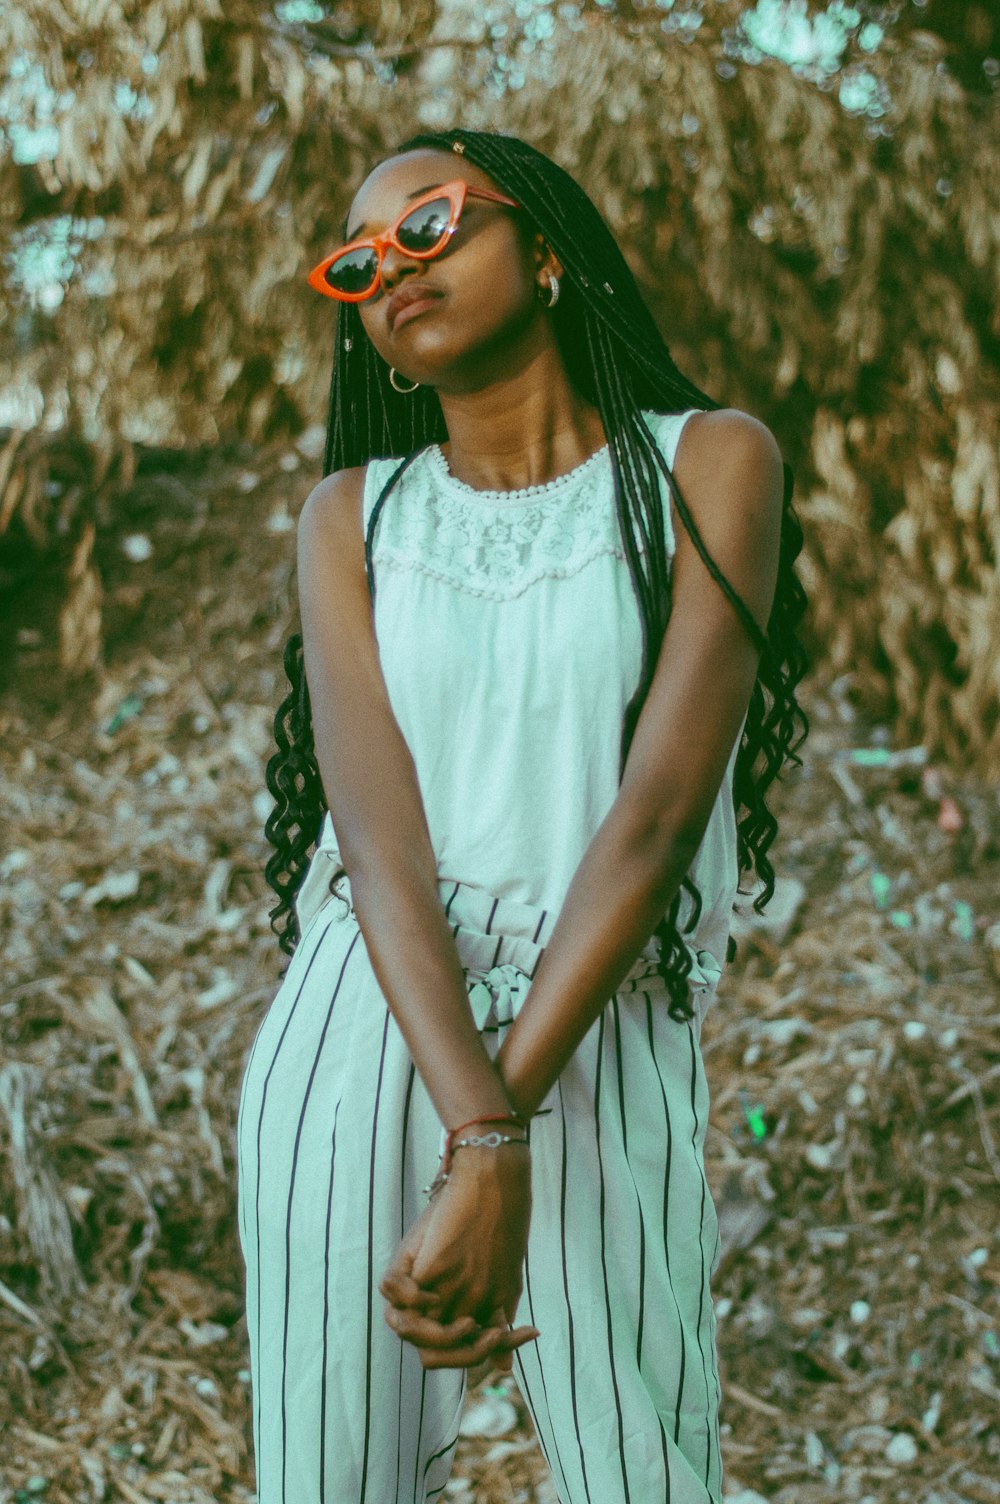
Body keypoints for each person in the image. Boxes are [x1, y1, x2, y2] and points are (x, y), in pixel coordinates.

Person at [236, 126, 808, 1504]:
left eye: (429, 227)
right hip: (368, 1020)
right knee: (331, 1480)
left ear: (544, 250)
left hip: (597, 1014)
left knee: (642, 1470)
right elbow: (376, 850)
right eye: (361, 263)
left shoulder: (708, 467)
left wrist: (494, 1142)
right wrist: (478, 1127)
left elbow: (658, 814)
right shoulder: (350, 519)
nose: (393, 270)